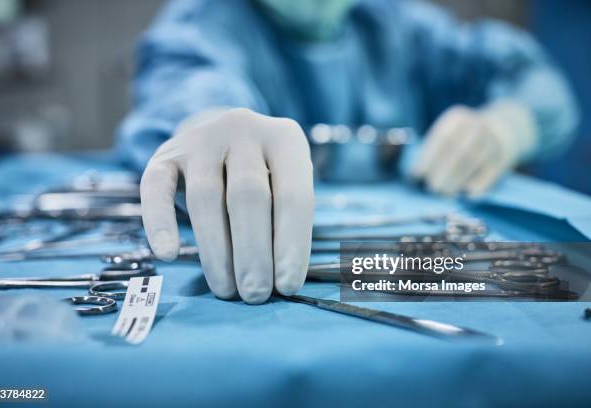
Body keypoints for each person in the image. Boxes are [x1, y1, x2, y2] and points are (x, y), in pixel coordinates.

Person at [117, 0, 579, 304]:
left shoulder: (395, 23)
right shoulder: (205, 25)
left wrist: (510, 123)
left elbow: (539, 83)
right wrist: (207, 121)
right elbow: (189, 81)